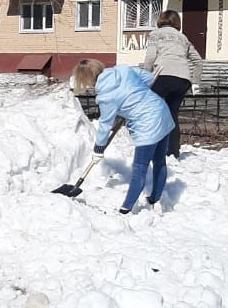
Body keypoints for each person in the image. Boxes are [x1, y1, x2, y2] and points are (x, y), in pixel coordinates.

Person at [71, 58, 175, 214]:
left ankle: (125, 209)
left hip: (147, 124)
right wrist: (131, 97)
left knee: (139, 168)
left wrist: (98, 149)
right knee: (159, 161)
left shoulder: (106, 97)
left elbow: (105, 125)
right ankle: (154, 198)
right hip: (161, 112)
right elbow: (149, 79)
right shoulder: (123, 70)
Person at [143, 8, 203, 158]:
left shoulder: (155, 35)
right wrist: (195, 82)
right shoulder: (183, 38)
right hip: (183, 79)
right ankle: (173, 151)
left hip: (163, 75)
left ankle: (151, 148)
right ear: (177, 23)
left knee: (152, 111)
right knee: (172, 114)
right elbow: (198, 61)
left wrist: (144, 77)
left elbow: (150, 57)